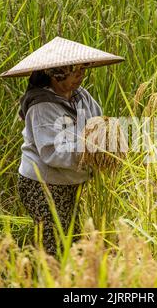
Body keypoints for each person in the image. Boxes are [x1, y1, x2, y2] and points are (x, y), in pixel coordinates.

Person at [16, 64, 103, 257]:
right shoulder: (41, 105)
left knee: (72, 239)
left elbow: (98, 120)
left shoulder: (81, 95)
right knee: (54, 246)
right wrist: (90, 155)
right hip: (43, 184)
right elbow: (53, 151)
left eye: (82, 71)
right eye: (74, 72)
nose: (80, 76)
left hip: (70, 181)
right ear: (56, 76)